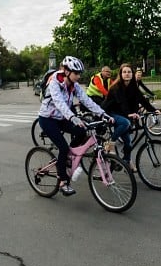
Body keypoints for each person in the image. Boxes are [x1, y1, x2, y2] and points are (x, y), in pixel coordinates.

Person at [37, 56, 111, 196]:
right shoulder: (54, 82)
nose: (78, 76)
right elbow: (60, 103)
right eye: (76, 73)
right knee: (63, 147)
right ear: (66, 71)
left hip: (62, 118)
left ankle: (67, 157)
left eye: (79, 73)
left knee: (82, 132)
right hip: (48, 119)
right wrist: (72, 117)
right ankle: (63, 181)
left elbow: (87, 100)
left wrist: (103, 114)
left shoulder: (74, 85)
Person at [103, 63, 159, 171]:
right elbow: (122, 102)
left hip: (122, 113)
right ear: (121, 74)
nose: (127, 74)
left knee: (128, 143)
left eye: (129, 72)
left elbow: (142, 100)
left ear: (132, 74)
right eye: (124, 72)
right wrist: (128, 114)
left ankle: (127, 162)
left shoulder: (133, 87)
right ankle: (110, 143)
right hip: (110, 112)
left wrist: (153, 110)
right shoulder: (116, 87)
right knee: (125, 122)